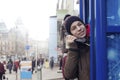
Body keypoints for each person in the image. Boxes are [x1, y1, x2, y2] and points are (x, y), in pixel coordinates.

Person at [64, 16, 90, 80]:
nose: (79, 29)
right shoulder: (74, 50)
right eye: (74, 28)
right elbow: (69, 75)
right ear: (70, 34)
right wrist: (72, 48)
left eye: (80, 24)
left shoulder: (94, 41)